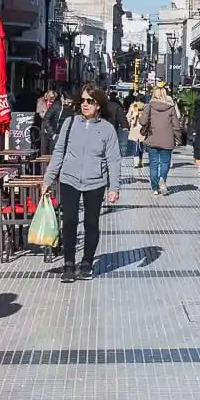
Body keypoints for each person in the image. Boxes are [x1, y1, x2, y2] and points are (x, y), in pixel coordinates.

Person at [43, 83, 122, 283]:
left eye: (90, 101)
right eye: (83, 100)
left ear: (99, 105)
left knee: (91, 223)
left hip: (95, 182)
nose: (85, 104)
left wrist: (114, 187)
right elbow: (59, 152)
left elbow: (113, 159)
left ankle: (87, 262)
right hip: (69, 179)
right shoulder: (70, 124)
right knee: (69, 221)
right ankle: (69, 263)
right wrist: (49, 179)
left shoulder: (107, 130)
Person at [141, 84, 182, 195]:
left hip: (152, 138)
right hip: (167, 140)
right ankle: (162, 178)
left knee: (153, 164)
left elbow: (142, 121)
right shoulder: (171, 107)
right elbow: (176, 125)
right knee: (165, 162)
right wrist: (178, 138)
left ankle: (155, 188)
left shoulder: (149, 106)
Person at [126, 98, 146, 168]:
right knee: (142, 145)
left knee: (135, 145)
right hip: (143, 127)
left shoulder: (133, 105)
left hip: (134, 127)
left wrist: (128, 125)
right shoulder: (145, 106)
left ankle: (136, 161)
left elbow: (128, 117)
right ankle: (141, 160)